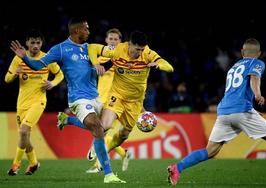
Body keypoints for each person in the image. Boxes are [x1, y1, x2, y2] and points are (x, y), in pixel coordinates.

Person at [10, 18, 125, 183]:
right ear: (77, 30)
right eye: (86, 29)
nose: (89, 32)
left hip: (95, 96)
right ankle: (108, 174)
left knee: (102, 128)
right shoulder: (61, 49)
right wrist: (24, 58)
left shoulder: (90, 48)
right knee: (98, 127)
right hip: (78, 98)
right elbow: (38, 65)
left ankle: (67, 120)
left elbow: (107, 60)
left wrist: (115, 60)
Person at [167, 38, 266, 185]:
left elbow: (236, 93)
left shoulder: (233, 68)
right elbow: (254, 78)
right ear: (259, 53)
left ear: (242, 52)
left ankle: (177, 167)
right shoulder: (257, 63)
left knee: (210, 151)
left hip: (224, 113)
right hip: (241, 112)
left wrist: (252, 109)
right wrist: (258, 95)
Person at [88, 30, 174, 159]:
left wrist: (157, 65)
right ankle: (96, 145)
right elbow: (92, 48)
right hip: (117, 95)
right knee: (105, 125)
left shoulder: (148, 53)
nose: (139, 53)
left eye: (141, 50)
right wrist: (96, 64)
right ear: (129, 44)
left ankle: (107, 148)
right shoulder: (117, 50)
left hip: (135, 102)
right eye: (137, 49)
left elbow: (169, 67)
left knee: (124, 135)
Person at [57, 28, 131, 173]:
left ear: (120, 41)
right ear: (106, 40)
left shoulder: (123, 57)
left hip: (114, 100)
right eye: (111, 39)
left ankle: (100, 160)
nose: (113, 42)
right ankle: (120, 154)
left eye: (116, 39)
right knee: (100, 129)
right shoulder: (100, 58)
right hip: (98, 98)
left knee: (103, 129)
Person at [5, 29, 64, 175]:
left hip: (39, 101)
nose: (36, 45)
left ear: (41, 43)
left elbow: (60, 74)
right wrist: (14, 73)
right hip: (22, 103)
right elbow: (6, 79)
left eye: (38, 42)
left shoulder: (47, 58)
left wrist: (53, 83)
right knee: (25, 136)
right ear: (27, 43)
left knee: (24, 131)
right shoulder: (19, 58)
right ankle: (34, 163)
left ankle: (15, 165)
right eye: (32, 42)